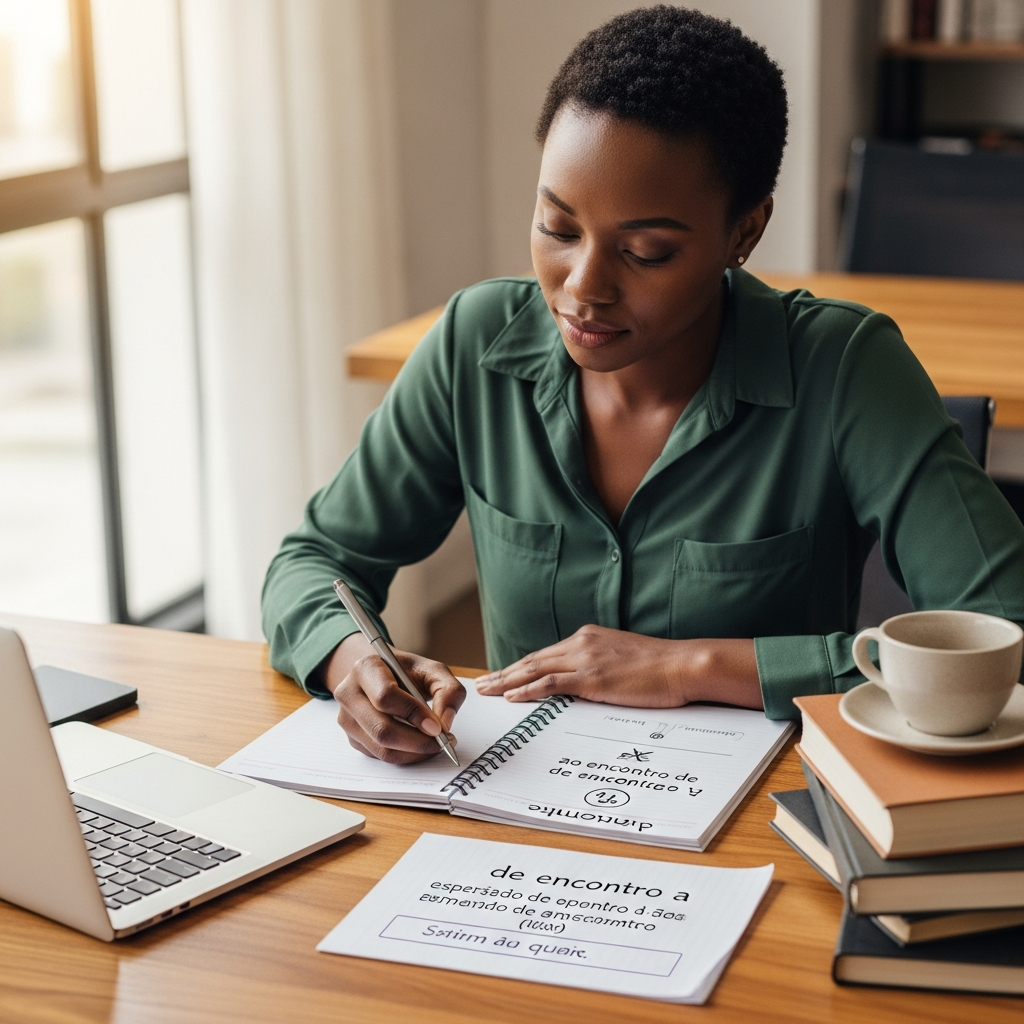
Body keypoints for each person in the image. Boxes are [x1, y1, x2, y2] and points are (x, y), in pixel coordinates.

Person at [261, 6, 1024, 764]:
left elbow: (1009, 632)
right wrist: (356, 662)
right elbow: (314, 563)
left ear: (744, 232)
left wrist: (691, 667)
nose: (582, 288)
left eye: (647, 252)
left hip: (770, 811)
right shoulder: (476, 342)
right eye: (559, 228)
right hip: (516, 804)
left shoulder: (844, 367)